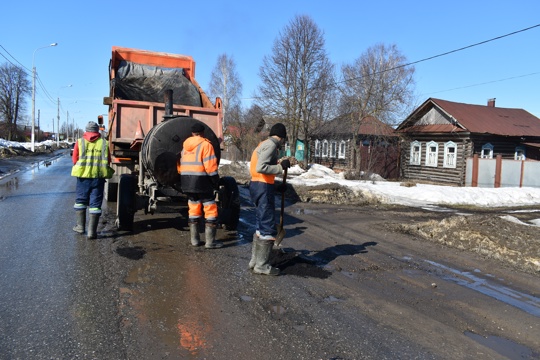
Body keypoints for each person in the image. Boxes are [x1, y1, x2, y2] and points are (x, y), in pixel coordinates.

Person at [248, 123, 290, 275]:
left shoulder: (263, 144)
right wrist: (280, 168)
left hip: (258, 185)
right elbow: (261, 167)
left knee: (260, 222)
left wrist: (276, 187)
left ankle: (255, 261)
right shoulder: (271, 146)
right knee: (267, 225)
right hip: (262, 186)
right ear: (281, 137)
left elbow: (260, 171)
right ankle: (262, 266)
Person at [178, 122, 222, 249]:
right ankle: (210, 242)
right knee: (210, 209)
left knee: (193, 208)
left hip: (186, 181)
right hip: (202, 181)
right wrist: (215, 180)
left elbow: (181, 163)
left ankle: (195, 240)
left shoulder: (185, 146)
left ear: (192, 134)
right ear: (202, 133)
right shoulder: (206, 145)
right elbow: (210, 166)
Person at [71, 121, 111, 239]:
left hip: (83, 177)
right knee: (95, 204)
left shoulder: (80, 142)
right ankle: (91, 232)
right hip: (98, 177)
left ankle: (80, 227)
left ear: (86, 130)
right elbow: (108, 160)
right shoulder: (104, 143)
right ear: (97, 130)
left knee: (80, 201)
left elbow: (75, 159)